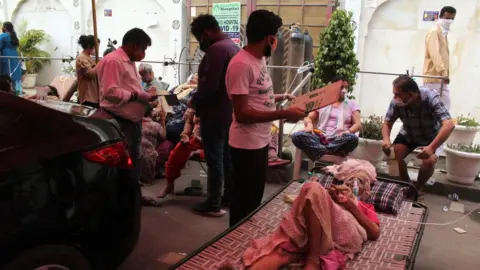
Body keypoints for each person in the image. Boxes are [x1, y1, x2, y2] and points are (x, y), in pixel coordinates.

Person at [225, 10, 305, 227]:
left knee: (254, 200)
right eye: (277, 36)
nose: (277, 41)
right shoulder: (241, 65)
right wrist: (284, 113)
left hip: (259, 142)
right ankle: (234, 246)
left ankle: (245, 242)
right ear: (269, 38)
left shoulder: (258, 60)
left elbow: (258, 95)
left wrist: (282, 98)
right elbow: (242, 113)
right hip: (245, 146)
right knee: (243, 204)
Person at [232, 182, 380, 270]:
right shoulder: (329, 199)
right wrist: (327, 198)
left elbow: (374, 233)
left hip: (346, 234)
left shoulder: (363, 206)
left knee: (312, 188)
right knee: (283, 248)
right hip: (318, 229)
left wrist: (350, 205)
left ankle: (313, 259)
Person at [185, 14, 240, 216]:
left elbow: (209, 86)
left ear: (206, 33)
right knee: (225, 157)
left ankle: (213, 203)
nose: (201, 43)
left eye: (200, 38)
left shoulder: (216, 51)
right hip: (229, 112)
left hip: (214, 113)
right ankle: (228, 195)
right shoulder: (233, 48)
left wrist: (193, 102)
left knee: (214, 158)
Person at [96, 28, 155, 182]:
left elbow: (129, 87)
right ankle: (124, 200)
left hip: (132, 122)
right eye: (143, 48)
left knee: (134, 161)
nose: (144, 53)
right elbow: (111, 92)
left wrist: (146, 95)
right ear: (134, 45)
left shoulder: (128, 62)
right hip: (119, 121)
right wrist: (137, 95)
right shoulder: (113, 61)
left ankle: (134, 195)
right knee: (122, 164)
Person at [381, 75, 454, 198]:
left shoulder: (430, 97)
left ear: (410, 95)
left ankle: (418, 187)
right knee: (392, 156)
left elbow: (449, 125)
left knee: (429, 161)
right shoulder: (396, 102)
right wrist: (386, 140)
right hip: (409, 134)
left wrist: (431, 148)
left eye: (397, 94)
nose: (395, 97)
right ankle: (406, 185)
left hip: (431, 136)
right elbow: (387, 123)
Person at [291, 76, 361, 161]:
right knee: (296, 136)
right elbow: (308, 117)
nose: (344, 90)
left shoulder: (351, 104)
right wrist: (309, 125)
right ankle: (328, 150)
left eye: (346, 87)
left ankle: (320, 151)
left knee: (352, 138)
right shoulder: (323, 101)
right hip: (320, 137)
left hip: (339, 139)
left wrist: (348, 131)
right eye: (341, 87)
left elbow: (357, 125)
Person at [143, 111, 204, 205]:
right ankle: (169, 185)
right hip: (195, 139)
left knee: (216, 162)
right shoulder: (197, 104)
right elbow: (189, 121)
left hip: (215, 140)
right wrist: (185, 134)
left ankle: (216, 198)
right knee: (174, 155)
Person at [423, 6, 456, 111]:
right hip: (434, 76)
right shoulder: (434, 32)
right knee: (439, 105)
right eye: (447, 17)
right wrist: (443, 73)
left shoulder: (443, 33)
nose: (449, 21)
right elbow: (435, 54)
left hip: (440, 77)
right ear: (441, 17)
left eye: (452, 18)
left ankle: (439, 126)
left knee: (441, 106)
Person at [139, 106, 167, 186]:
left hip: (135, 156)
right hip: (148, 157)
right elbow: (163, 136)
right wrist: (163, 120)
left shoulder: (134, 123)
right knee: (168, 144)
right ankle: (159, 169)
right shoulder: (155, 126)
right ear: (150, 113)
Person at [76, 34, 100, 108]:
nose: (97, 50)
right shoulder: (82, 58)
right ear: (90, 46)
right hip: (87, 96)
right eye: (96, 47)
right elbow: (90, 74)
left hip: (94, 95)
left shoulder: (89, 58)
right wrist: (100, 64)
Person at [0, 22, 22, 95]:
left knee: (6, 72)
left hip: (6, 56)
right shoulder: (14, 35)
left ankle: (5, 91)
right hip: (15, 56)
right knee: (15, 73)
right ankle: (18, 91)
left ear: (5, 27)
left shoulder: (3, 35)